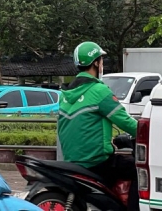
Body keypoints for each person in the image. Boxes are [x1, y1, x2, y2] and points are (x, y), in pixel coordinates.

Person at [58, 42, 139, 211]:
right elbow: (126, 122)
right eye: (101, 60)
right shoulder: (99, 91)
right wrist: (148, 132)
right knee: (137, 169)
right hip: (96, 162)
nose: (102, 64)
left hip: (71, 161)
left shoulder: (64, 95)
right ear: (95, 63)